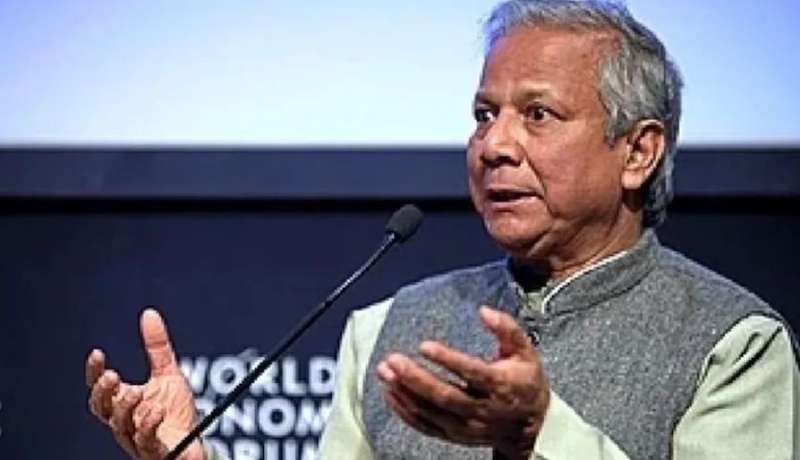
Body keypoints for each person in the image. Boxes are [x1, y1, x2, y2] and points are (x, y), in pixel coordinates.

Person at [86, 1, 800, 459]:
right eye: (485, 115)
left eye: (538, 115)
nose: (494, 145)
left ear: (638, 152)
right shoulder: (385, 329)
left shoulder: (732, 344)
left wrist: (540, 433)